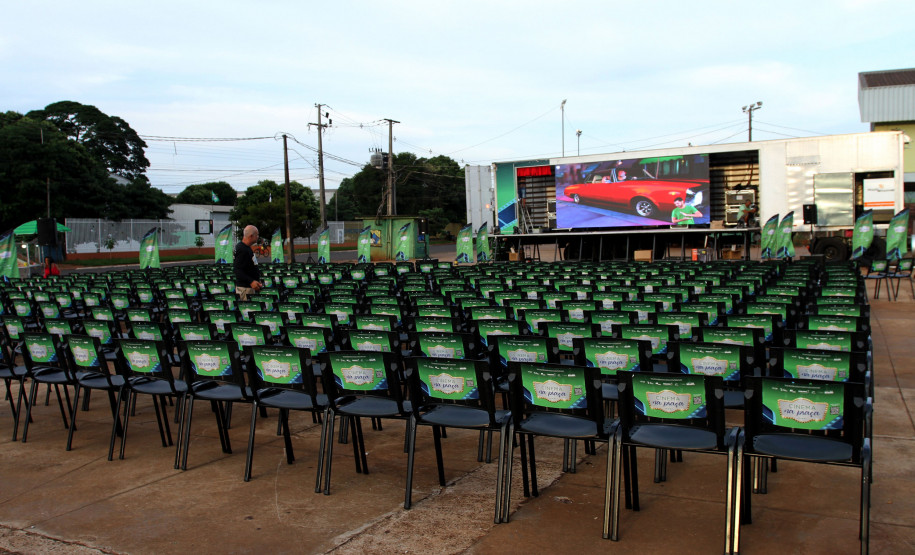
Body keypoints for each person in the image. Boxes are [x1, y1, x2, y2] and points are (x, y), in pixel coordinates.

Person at [234, 225, 264, 301]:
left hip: (249, 287)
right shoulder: (242, 249)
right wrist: (251, 281)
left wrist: (256, 279)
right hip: (245, 289)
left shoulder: (246, 247)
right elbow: (238, 270)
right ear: (251, 236)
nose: (258, 237)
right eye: (257, 235)